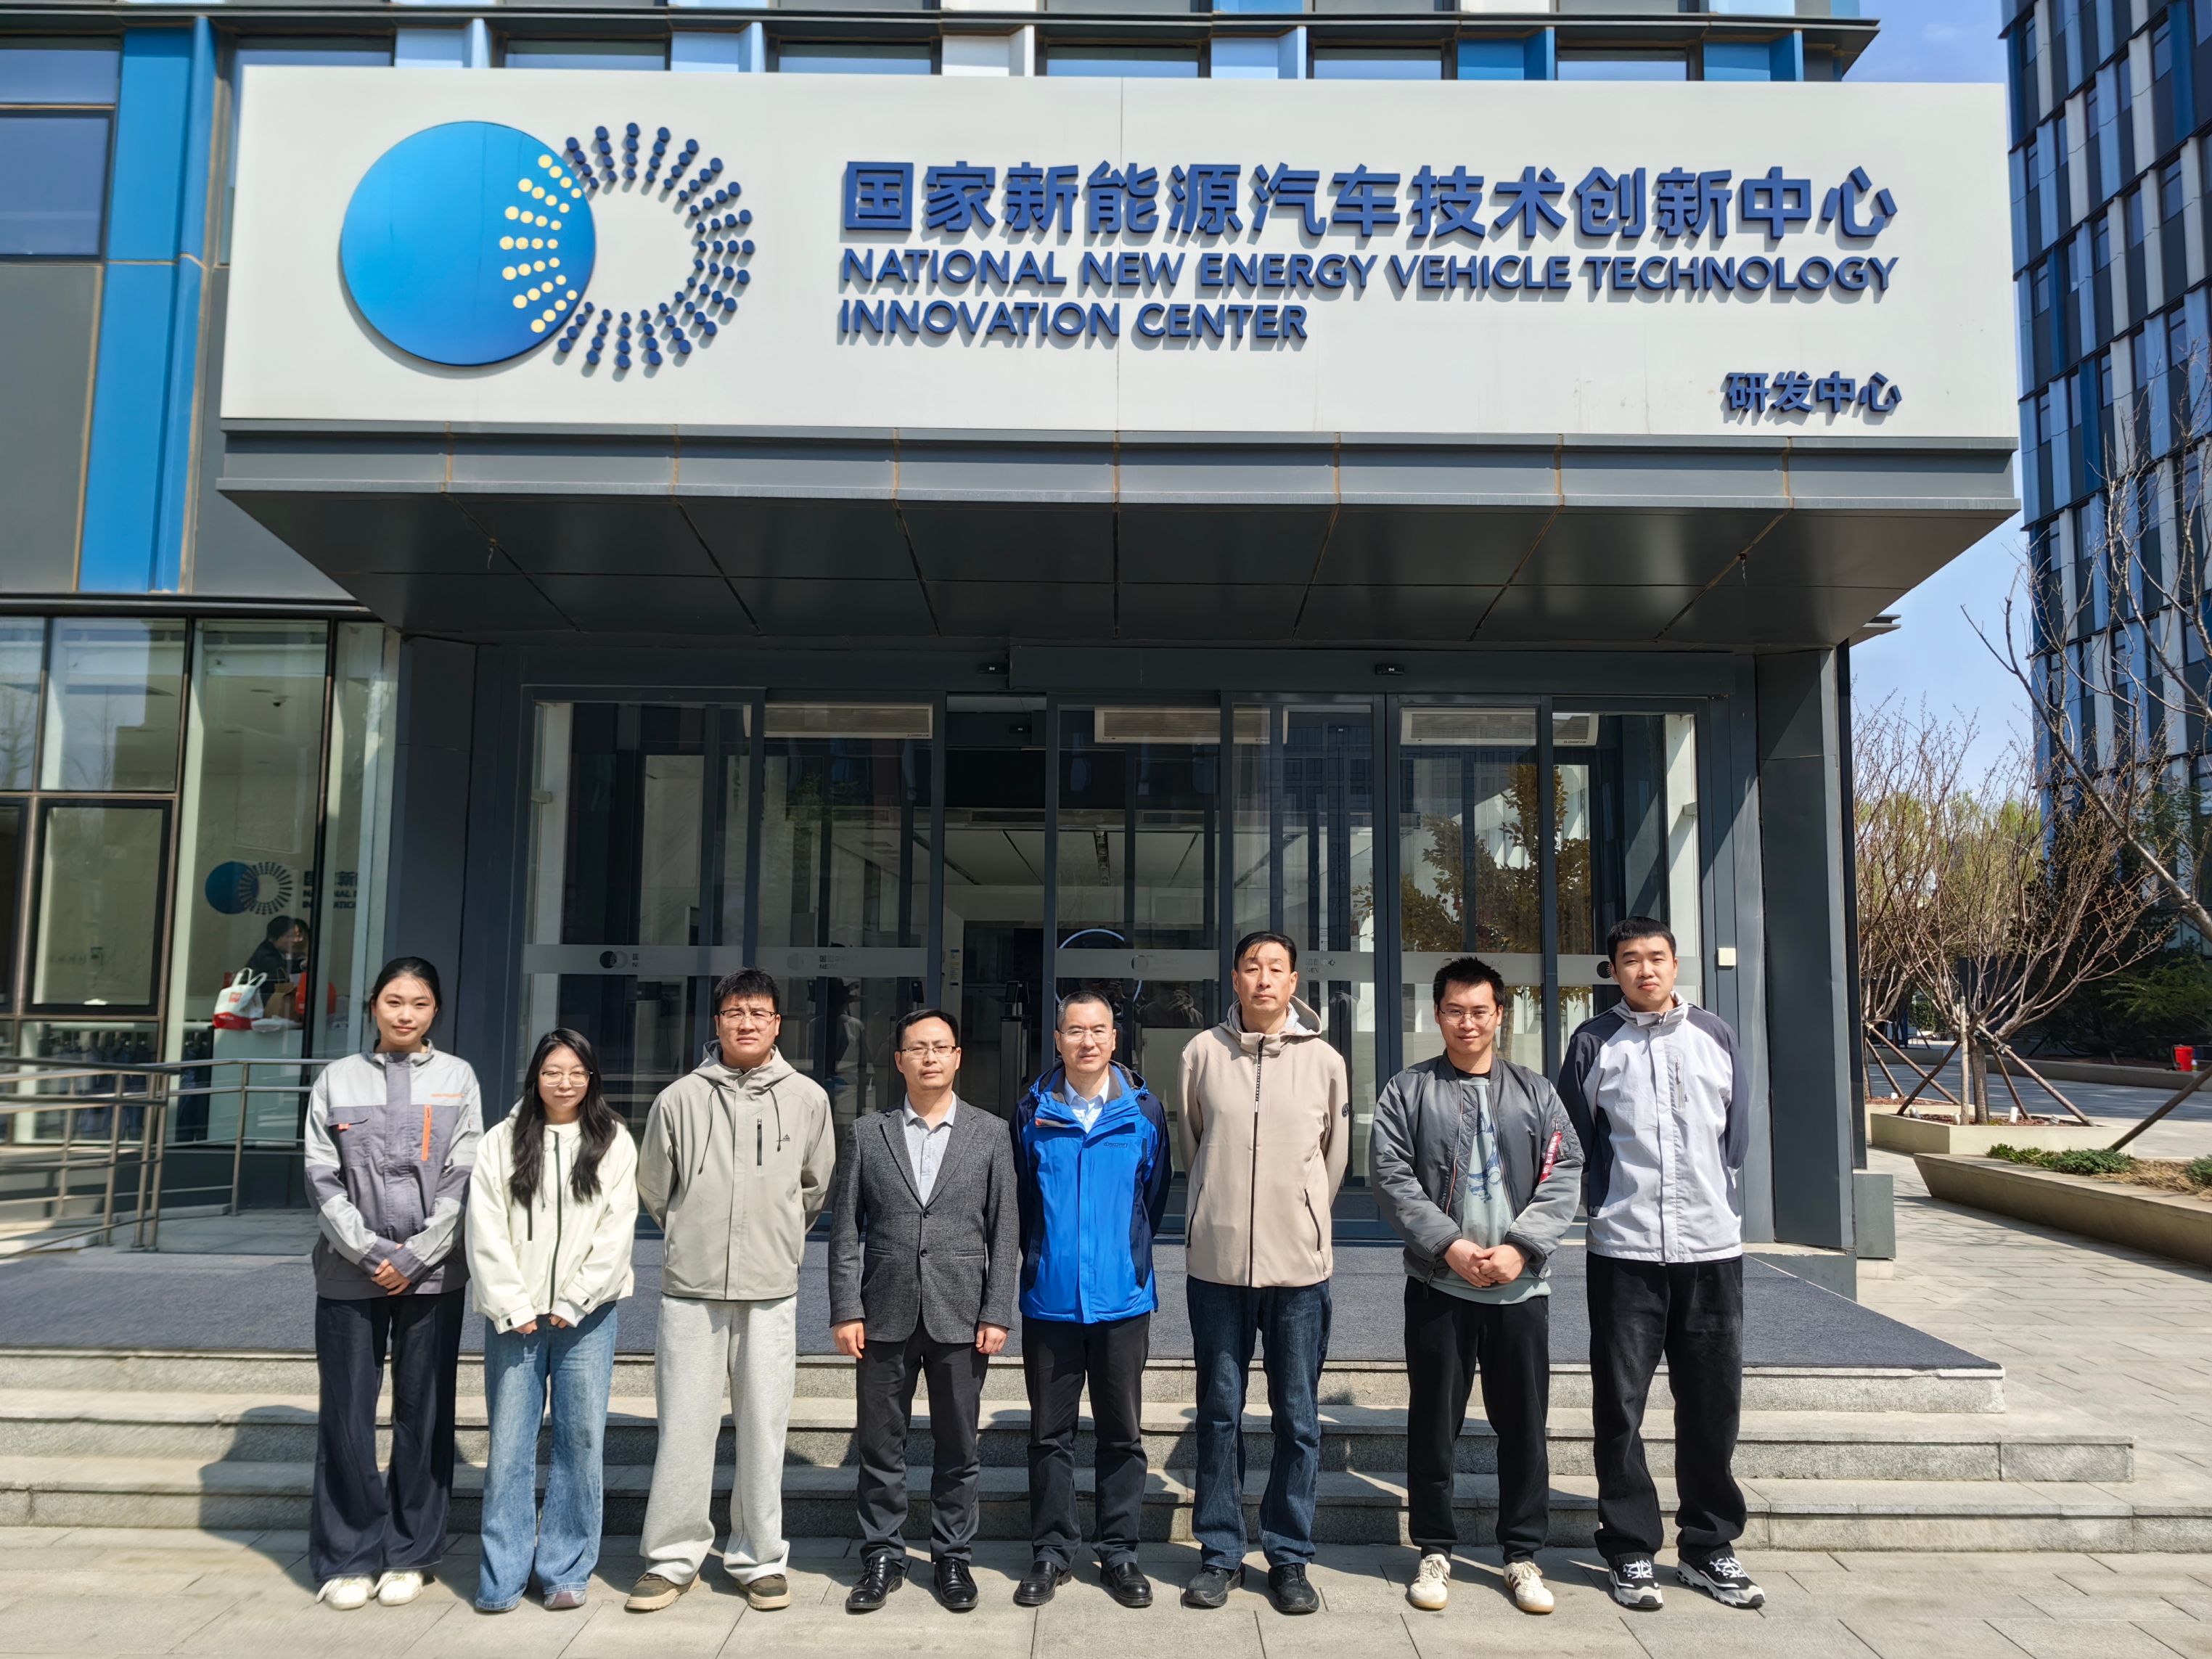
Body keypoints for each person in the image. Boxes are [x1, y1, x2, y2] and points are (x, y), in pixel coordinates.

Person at [1559, 917, 1762, 1613]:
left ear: (1676, 964)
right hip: (1626, 1249)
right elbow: (1576, 1141)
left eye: (1655, 958)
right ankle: (1630, 1548)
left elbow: (1736, 1138)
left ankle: (1709, 1545)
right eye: (1629, 960)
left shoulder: (1715, 1035)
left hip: (1711, 1248)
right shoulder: (1594, 1042)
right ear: (1613, 970)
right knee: (1620, 1405)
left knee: (1713, 1403)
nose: (1644, 970)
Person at [1369, 957, 1583, 1616]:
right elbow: (1391, 1176)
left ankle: (1522, 1555)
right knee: (1434, 1425)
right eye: (1455, 1011)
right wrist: (1450, 1245)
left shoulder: (1536, 1092)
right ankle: (1434, 1548)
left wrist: (1521, 1248)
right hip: (1441, 1285)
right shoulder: (1408, 1091)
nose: (1468, 1023)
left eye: (1480, 1011)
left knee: (1524, 1428)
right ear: (1437, 1015)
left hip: (1520, 1290)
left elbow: (1564, 1169)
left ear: (1499, 1015)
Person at [628, 968, 836, 1614]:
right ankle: (672, 1559)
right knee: (684, 1428)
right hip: (691, 1289)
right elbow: (655, 1188)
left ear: (778, 1024)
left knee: (764, 1429)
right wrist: (693, 1234)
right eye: (735, 1012)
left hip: (770, 1288)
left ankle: (759, 1558)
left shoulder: (807, 1099)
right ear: (717, 1022)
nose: (747, 1023)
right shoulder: (679, 1099)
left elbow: (814, 1186)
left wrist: (777, 1239)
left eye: (759, 1013)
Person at [1177, 931, 1350, 1617]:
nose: (1264, 979)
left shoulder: (1325, 1061)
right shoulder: (1202, 1053)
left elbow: (1333, 1157)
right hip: (1217, 1267)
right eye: (1252, 967)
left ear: (1294, 980)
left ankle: (1289, 1555)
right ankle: (1220, 1552)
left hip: (1299, 1270)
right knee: (1219, 1413)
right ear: (1235, 977)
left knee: (1298, 1418)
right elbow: (1194, 1141)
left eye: (1276, 968)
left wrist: (1303, 1219)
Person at [303, 956, 482, 1611]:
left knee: (423, 1414)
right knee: (346, 1416)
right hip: (348, 1273)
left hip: (433, 1276)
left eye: (420, 1003)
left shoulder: (458, 1077)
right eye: (394, 1001)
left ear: (436, 1011)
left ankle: (411, 1553)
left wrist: (417, 1255)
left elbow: (465, 1174)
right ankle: (348, 1555)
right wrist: (370, 1252)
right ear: (373, 1005)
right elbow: (320, 1175)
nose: (406, 1014)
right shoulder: (336, 1079)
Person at [830, 1009, 1020, 1615]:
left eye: (940, 1047)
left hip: (961, 1313)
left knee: (958, 1444)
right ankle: (882, 1555)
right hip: (882, 1312)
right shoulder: (869, 1133)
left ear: (958, 1057)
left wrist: (997, 1311)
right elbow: (844, 1231)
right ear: (899, 1060)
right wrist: (845, 1309)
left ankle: (952, 1556)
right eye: (917, 1048)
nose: (930, 1057)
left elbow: (1005, 1230)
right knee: (880, 1444)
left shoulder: (991, 1133)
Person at [1009, 990, 1174, 1609]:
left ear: (1114, 1039)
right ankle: (1051, 1552)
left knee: (1121, 1434)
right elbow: (1023, 1201)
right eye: (1075, 1030)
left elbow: (1153, 1197)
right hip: (1050, 1301)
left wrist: (1124, 1259)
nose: (1087, 1041)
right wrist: (1045, 1260)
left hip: (1122, 1300)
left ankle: (1120, 1552)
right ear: (1058, 1040)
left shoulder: (1144, 1111)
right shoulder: (1032, 1111)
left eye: (1098, 1030)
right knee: (1049, 1436)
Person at [467, 1028, 638, 1614]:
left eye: (576, 1072)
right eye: (552, 1072)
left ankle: (566, 1569)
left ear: (591, 1078)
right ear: (534, 1077)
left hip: (586, 1319)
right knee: (509, 1448)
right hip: (513, 1319)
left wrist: (575, 1301)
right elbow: (484, 1228)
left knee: (580, 1443)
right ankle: (502, 1575)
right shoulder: (503, 1140)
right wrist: (513, 1305)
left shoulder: (613, 1140)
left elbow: (617, 1232)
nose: (564, 1083)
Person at [247, 916, 308, 1020]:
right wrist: (303, 964)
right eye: (289, 936)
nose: (295, 941)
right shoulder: (265, 954)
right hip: (259, 1008)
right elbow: (281, 967)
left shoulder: (285, 953)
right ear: (273, 938)